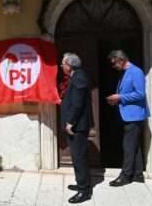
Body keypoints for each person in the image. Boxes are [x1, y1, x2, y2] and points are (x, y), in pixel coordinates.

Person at [106, 50, 150, 186]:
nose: (113, 66)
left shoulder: (135, 72)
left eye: (114, 63)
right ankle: (138, 174)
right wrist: (117, 100)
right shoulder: (124, 73)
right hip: (127, 116)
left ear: (121, 60)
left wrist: (120, 97)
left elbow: (140, 94)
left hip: (134, 116)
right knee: (134, 146)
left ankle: (125, 176)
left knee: (128, 146)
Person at [60, 53, 94, 204]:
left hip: (77, 126)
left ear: (70, 65)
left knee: (78, 157)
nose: (61, 66)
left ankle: (84, 191)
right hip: (77, 124)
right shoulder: (76, 75)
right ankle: (83, 183)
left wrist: (70, 122)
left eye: (63, 63)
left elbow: (78, 103)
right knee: (79, 157)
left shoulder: (78, 76)